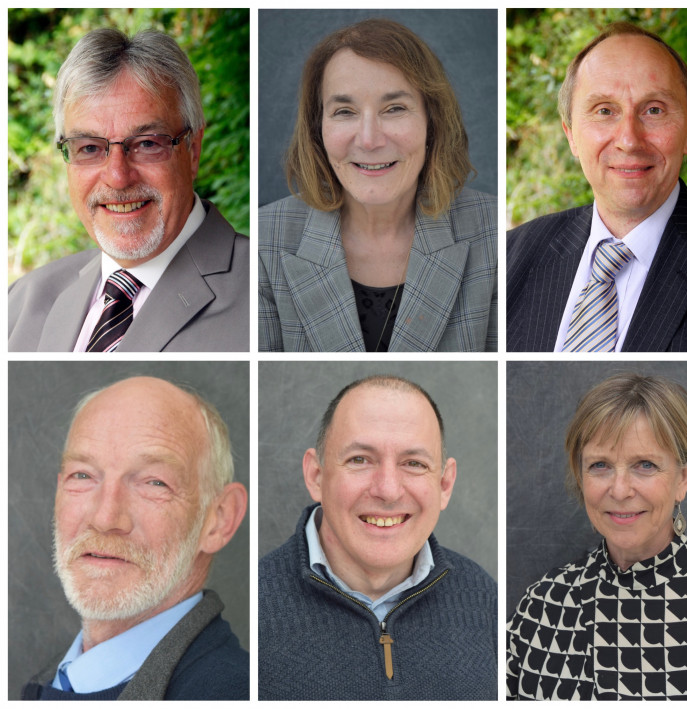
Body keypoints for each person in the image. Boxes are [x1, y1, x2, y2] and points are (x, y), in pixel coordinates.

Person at [258, 19, 497, 352]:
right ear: (318, 129)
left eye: (394, 108)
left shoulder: (495, 234)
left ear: (432, 121)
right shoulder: (263, 241)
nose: (369, 140)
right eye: (345, 111)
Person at [507, 22, 687, 352]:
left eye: (654, 110)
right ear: (571, 134)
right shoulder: (508, 258)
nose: (629, 140)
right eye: (604, 110)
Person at [8, 28, 249, 353]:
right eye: (90, 148)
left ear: (193, 150)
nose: (118, 177)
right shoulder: (20, 303)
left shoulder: (267, 291)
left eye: (147, 144)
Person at [506, 373, 687, 699]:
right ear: (580, 475)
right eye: (600, 465)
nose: (619, 490)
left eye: (644, 465)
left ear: (683, 477)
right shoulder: (540, 606)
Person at [258, 375, 497, 699]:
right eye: (360, 460)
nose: (387, 489)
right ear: (316, 476)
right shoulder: (257, 608)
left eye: (413, 463)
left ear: (444, 485)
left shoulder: (483, 599)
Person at [21, 377, 249, 700]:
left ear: (219, 519)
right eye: (82, 475)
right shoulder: (50, 685)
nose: (104, 519)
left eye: (154, 483)